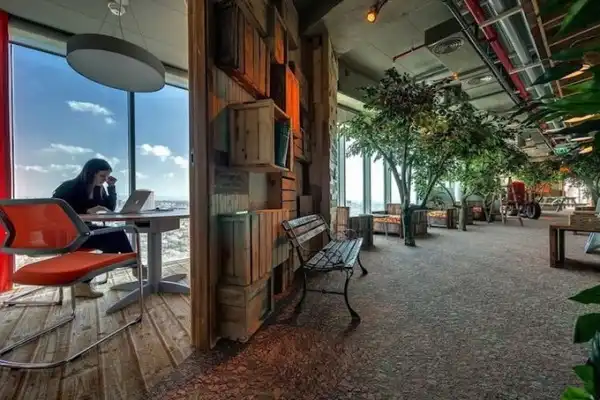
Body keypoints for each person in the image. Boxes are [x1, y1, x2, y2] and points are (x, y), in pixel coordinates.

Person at [52, 158, 140, 298]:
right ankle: (135, 266)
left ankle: (83, 284)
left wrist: (111, 187)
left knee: (114, 238)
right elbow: (54, 211)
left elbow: (109, 208)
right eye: (102, 176)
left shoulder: (99, 188)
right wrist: (86, 211)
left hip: (84, 231)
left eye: (107, 176)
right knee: (116, 235)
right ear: (90, 173)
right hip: (69, 234)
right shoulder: (69, 187)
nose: (105, 180)